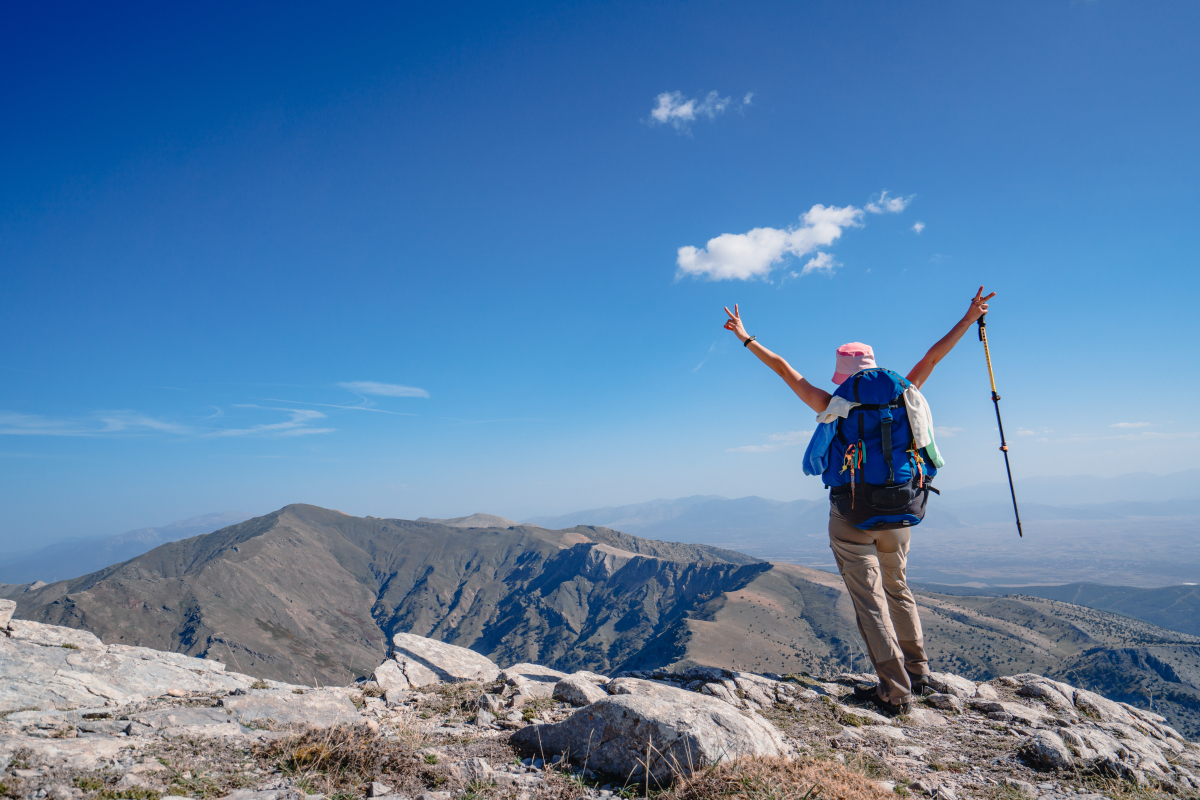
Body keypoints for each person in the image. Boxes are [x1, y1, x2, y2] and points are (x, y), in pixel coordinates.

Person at [722, 287, 996, 713]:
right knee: (898, 588)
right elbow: (933, 356)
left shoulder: (834, 403)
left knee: (869, 602)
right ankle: (919, 673)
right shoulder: (906, 392)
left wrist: (745, 337)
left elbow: (785, 371)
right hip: (903, 509)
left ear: (842, 374)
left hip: (852, 514)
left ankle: (895, 690)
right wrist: (968, 317)